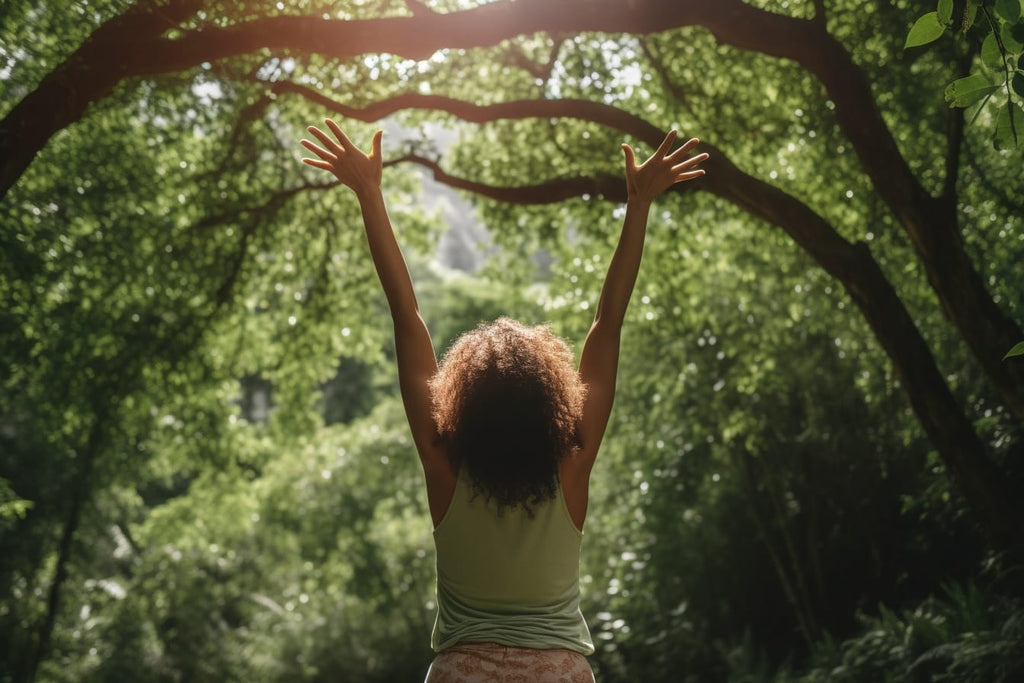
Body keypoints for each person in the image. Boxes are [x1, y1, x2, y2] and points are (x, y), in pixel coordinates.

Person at [300, 120, 707, 682]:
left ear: (461, 402)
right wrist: (636, 206)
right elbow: (607, 324)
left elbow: (405, 314)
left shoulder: (444, 464)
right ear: (552, 401)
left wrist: (369, 193)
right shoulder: (573, 463)